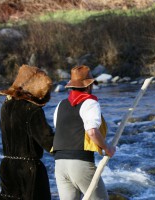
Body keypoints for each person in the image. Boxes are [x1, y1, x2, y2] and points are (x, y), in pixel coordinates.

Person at [53, 65, 116, 200]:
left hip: (60, 164)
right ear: (89, 86)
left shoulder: (60, 105)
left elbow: (58, 128)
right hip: (80, 163)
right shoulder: (90, 103)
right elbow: (92, 131)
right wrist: (107, 147)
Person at [0, 65, 54, 200]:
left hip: (7, 167)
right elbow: (48, 141)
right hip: (28, 171)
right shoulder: (33, 109)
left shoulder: (6, 105)